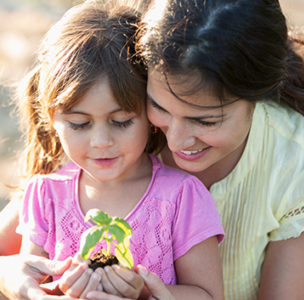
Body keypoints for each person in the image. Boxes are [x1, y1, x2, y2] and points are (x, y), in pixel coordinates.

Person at [1, 0, 304, 299]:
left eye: (205, 121)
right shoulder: (106, 125)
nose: (175, 142)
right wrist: (12, 278)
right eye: (158, 107)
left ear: (259, 96)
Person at [2, 1, 225, 300]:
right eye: (80, 124)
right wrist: (54, 291)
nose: (101, 142)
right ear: (51, 118)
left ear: (150, 114)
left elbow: (209, 295)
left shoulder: (182, 197)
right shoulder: (45, 196)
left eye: (121, 122)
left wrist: (144, 293)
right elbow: (35, 284)